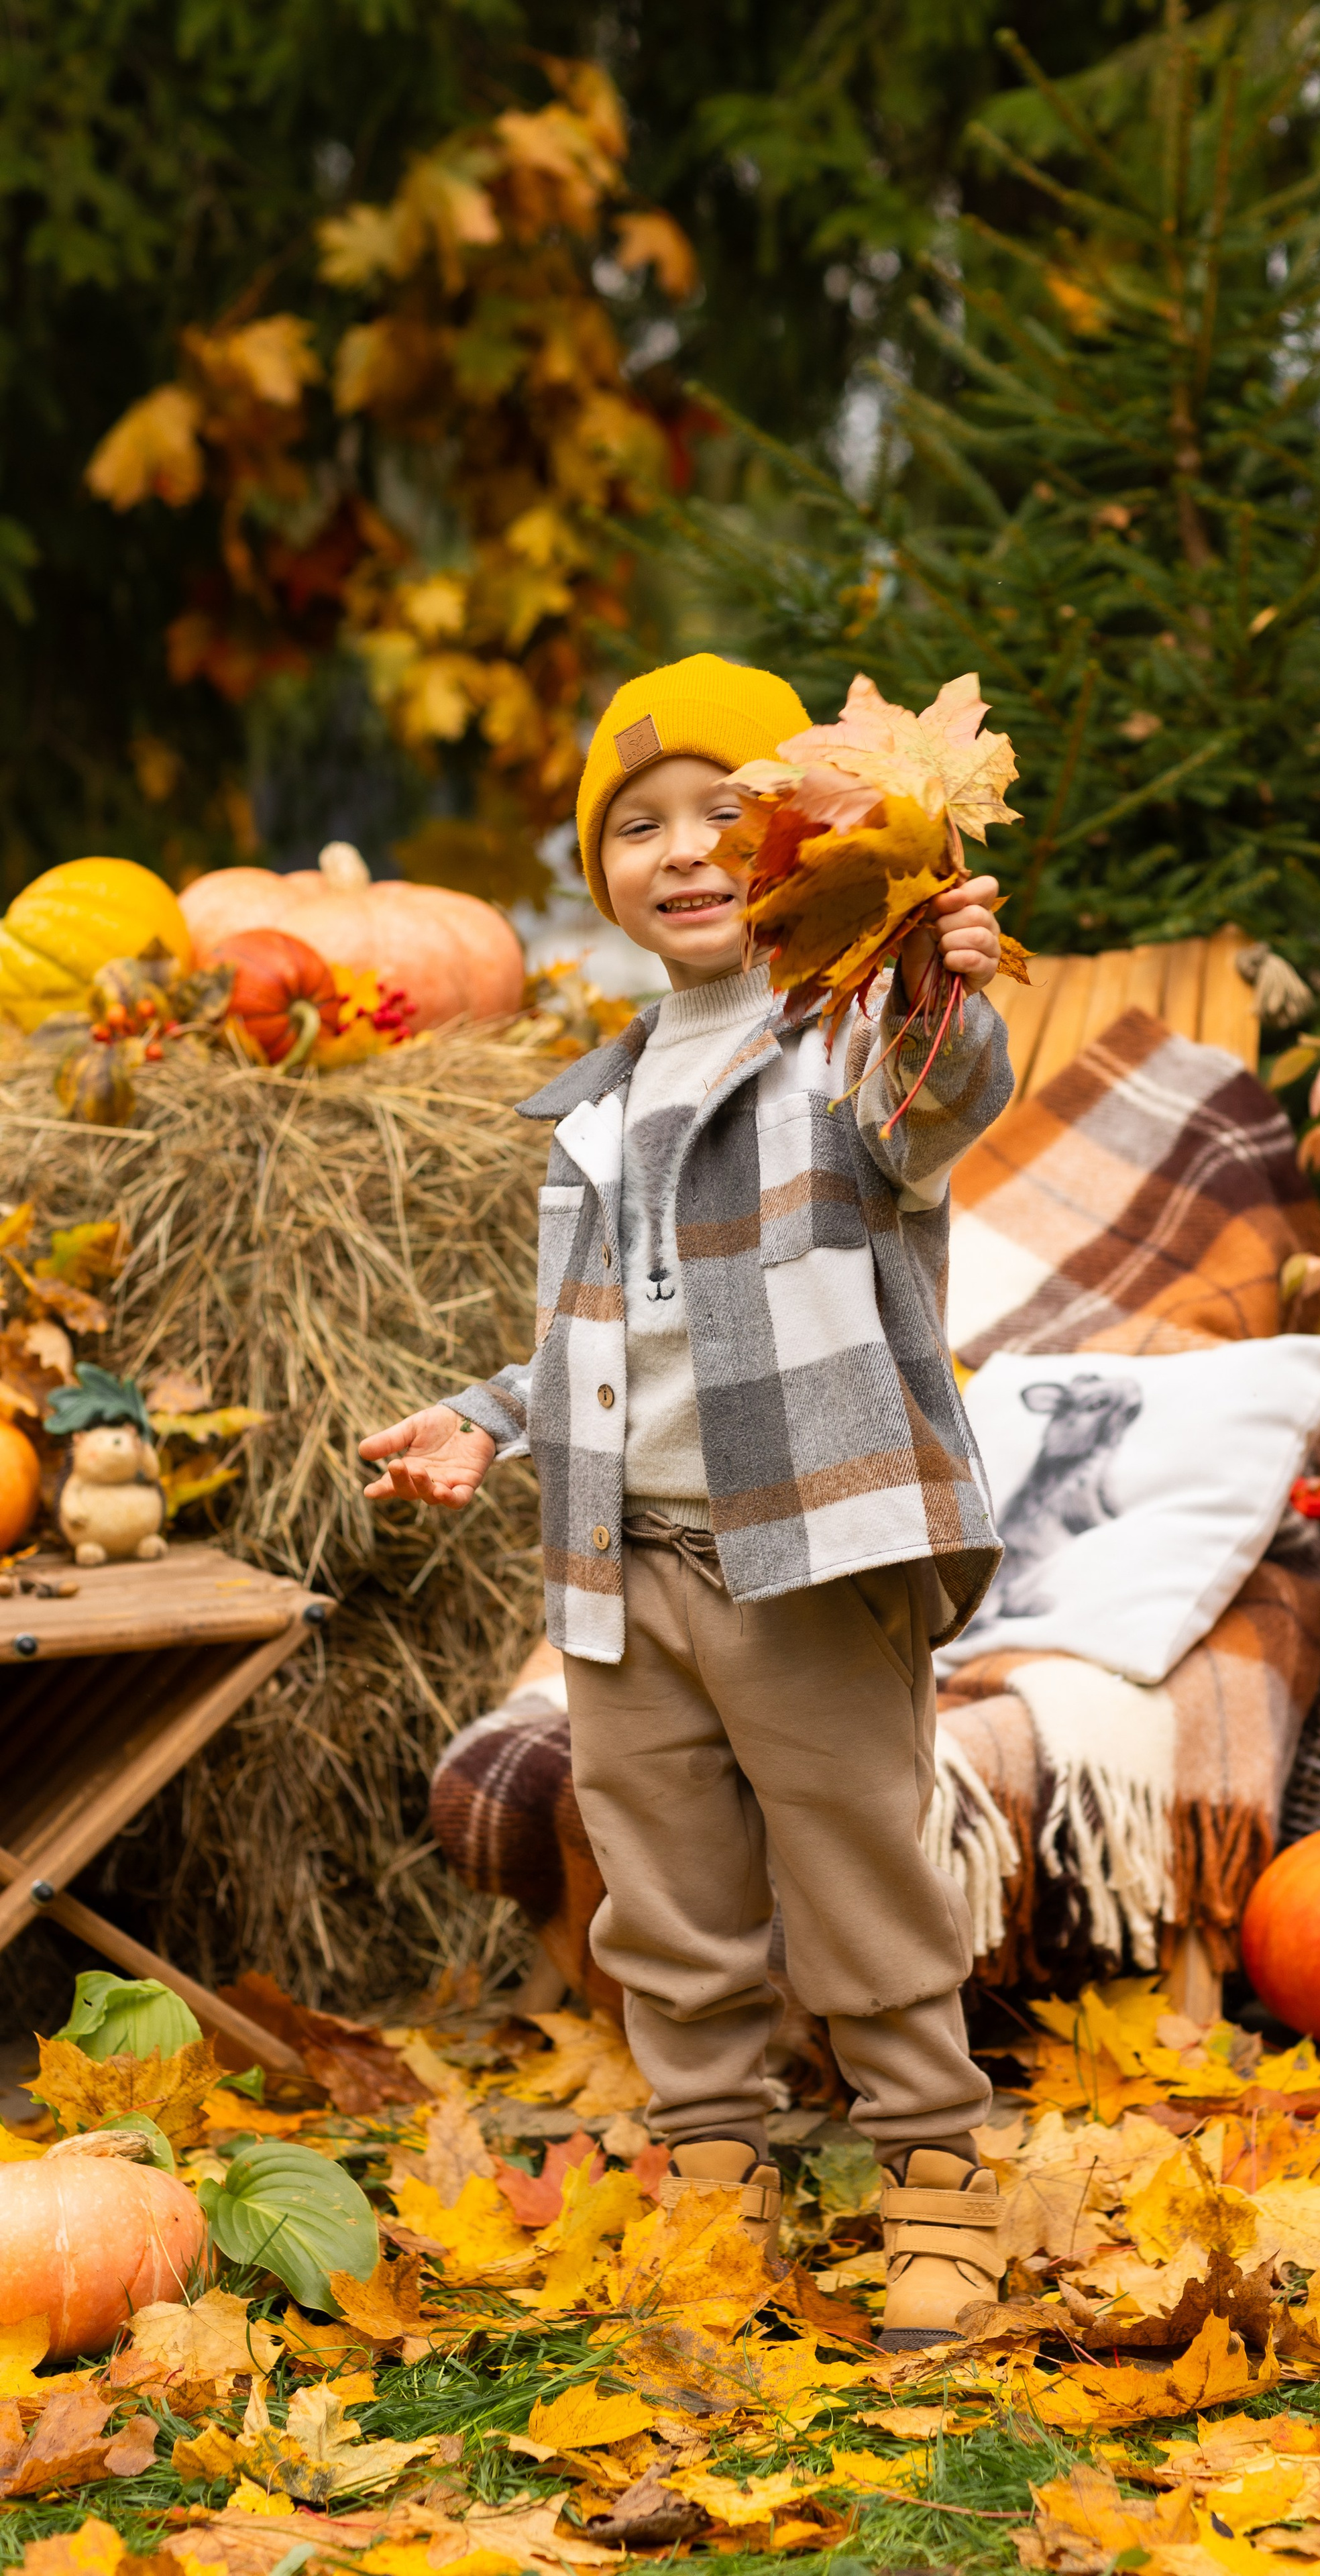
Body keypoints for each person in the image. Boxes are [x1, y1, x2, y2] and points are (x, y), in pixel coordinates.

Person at [360, 653, 1013, 2347]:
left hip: (803, 1543)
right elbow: (609, 1335)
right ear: (604, 885)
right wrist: (488, 1417)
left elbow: (941, 1109)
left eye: (725, 810)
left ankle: (934, 2169)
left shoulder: (848, 1034)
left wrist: (942, 977)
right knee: (664, 1894)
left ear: (801, 834)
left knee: (859, 1861)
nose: (683, 849)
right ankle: (714, 2165)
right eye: (634, 828)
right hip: (619, 1559)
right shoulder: (601, 1096)